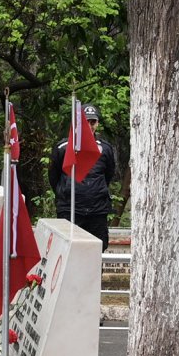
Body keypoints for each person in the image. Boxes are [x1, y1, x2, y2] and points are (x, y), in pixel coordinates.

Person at [47, 102, 118, 249]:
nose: (90, 125)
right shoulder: (63, 147)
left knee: (97, 249)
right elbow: (54, 176)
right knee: (67, 250)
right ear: (78, 123)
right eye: (86, 122)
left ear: (97, 123)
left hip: (97, 210)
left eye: (93, 121)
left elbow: (108, 174)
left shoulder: (105, 148)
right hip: (70, 208)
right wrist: (64, 192)